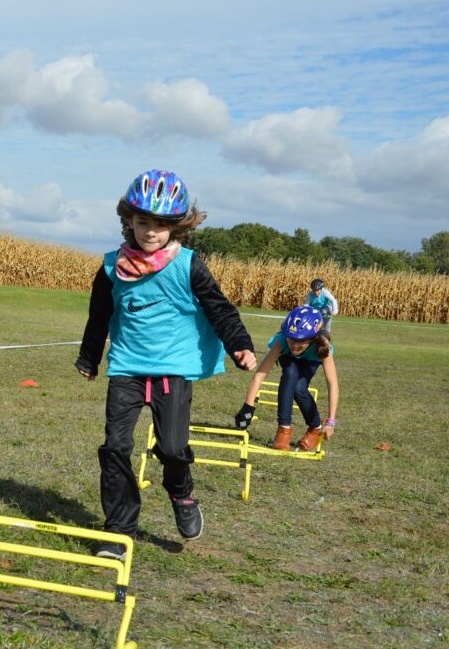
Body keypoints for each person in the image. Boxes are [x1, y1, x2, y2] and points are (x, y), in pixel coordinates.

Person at [75, 169, 257, 557]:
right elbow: (99, 316)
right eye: (143, 222)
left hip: (172, 369)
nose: (150, 232)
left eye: (161, 225)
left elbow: (219, 309)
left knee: (172, 449)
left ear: (176, 226)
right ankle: (119, 531)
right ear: (129, 220)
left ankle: (181, 491)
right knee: (115, 447)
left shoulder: (188, 264)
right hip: (126, 366)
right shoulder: (111, 268)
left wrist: (239, 344)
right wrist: (90, 357)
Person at [234, 306, 339, 451]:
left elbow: (332, 384)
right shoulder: (282, 341)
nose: (294, 345)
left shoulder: (322, 348)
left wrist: (331, 422)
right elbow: (259, 375)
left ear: (312, 338)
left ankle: (315, 428)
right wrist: (247, 408)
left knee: (299, 388)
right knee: (290, 373)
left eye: (300, 341)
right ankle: (283, 430)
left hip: (310, 361)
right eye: (292, 339)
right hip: (288, 358)